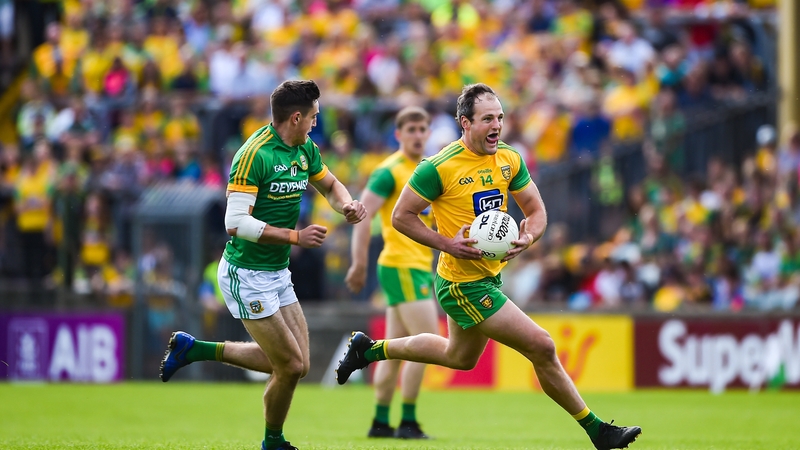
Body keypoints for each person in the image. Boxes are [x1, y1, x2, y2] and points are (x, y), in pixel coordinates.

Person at [336, 84, 641, 450]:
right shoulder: (438, 167)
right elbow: (402, 217)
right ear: (465, 123)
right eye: (487, 119)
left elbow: (536, 211)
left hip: (489, 278)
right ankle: (597, 431)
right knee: (541, 345)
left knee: (459, 357)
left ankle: (368, 349)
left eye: (500, 117)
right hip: (461, 285)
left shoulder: (509, 159)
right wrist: (447, 244)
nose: (497, 125)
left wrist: (529, 237)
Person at [160, 80, 367, 450]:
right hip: (246, 274)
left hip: (276, 272)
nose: (317, 122)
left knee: (298, 364)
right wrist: (295, 237)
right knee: (288, 367)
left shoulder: (304, 148)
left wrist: (347, 205)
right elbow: (235, 222)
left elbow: (332, 186)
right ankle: (273, 442)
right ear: (296, 117)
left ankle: (195, 350)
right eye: (314, 117)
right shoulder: (254, 154)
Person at [344, 106, 437, 439]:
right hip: (401, 265)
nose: (417, 135)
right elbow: (363, 214)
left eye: (421, 129)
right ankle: (408, 422)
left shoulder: (427, 169)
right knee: (430, 343)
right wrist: (358, 262)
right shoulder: (389, 171)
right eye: (410, 129)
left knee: (396, 349)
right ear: (398, 135)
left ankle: (380, 422)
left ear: (428, 133)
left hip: (418, 266)